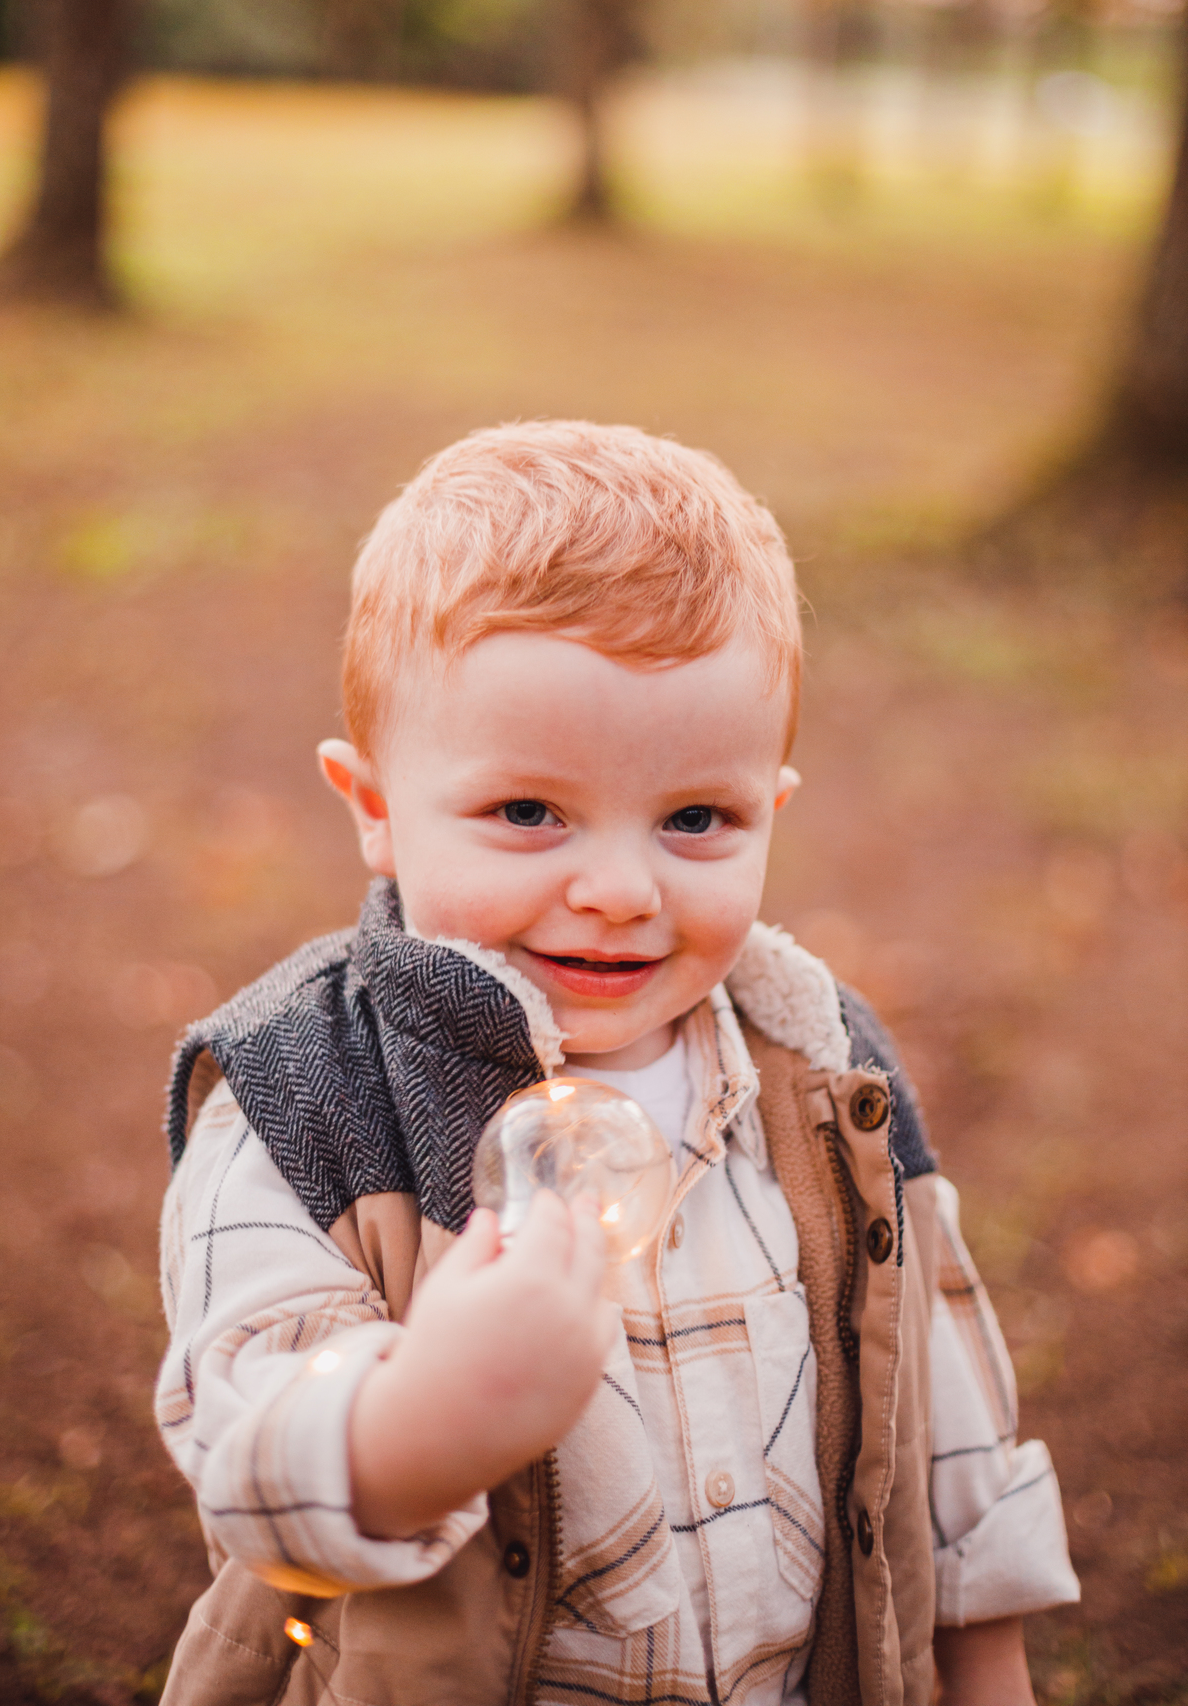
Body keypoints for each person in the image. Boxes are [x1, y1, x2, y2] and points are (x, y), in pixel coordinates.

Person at [155, 421, 1078, 1706]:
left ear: (773, 807)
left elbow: (946, 1423)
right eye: (528, 812)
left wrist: (987, 1671)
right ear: (372, 806)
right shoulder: (306, 1102)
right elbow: (245, 1465)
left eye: (697, 818)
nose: (618, 889)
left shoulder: (826, 1067)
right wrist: (427, 1421)